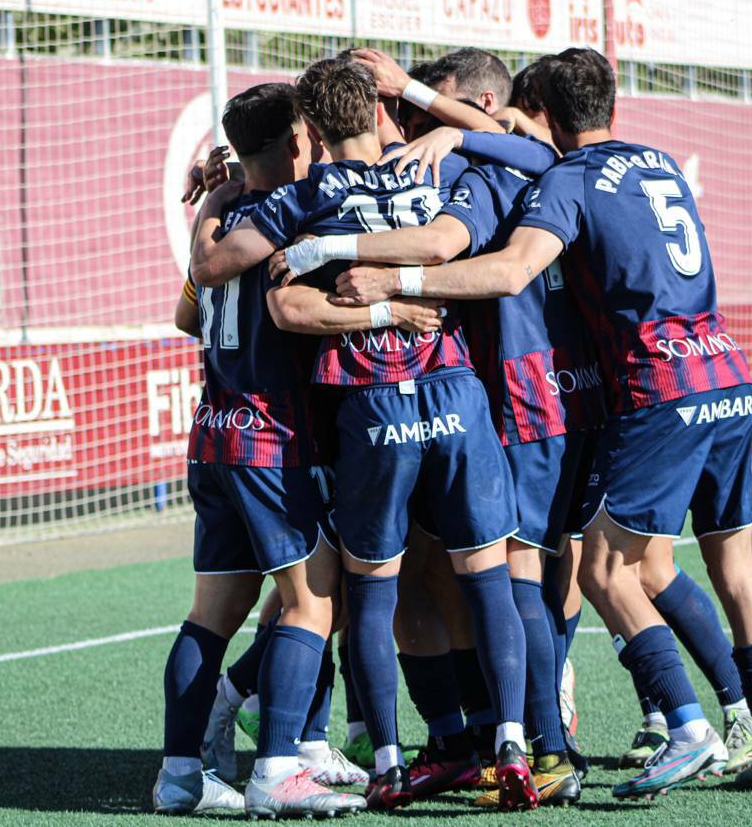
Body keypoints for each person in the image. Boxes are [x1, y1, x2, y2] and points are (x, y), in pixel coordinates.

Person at [316, 47, 752, 801]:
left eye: (438, 110)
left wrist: (388, 274)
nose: (420, 126)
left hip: (556, 394)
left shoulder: (522, 175)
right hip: (686, 377)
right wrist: (473, 124)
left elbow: (497, 265)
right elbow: (526, 143)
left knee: (541, 571)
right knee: (650, 566)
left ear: (515, 106)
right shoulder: (651, 161)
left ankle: (586, 738)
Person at [196, 56, 542, 812]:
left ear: (312, 131)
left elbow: (224, 271)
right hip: (454, 393)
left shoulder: (307, 195)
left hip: (369, 404)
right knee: (488, 576)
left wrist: (223, 203)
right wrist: (450, 132)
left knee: (366, 588)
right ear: (382, 112)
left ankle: (385, 756)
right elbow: (470, 216)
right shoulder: (431, 170)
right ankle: (513, 741)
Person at [170, 82, 373, 819]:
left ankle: (183, 772)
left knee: (215, 613)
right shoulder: (290, 210)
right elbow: (283, 304)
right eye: (306, 134)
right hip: (268, 434)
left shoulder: (226, 220)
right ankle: (277, 764)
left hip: (216, 430)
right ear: (294, 141)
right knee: (316, 600)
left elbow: (186, 310)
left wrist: (212, 203)